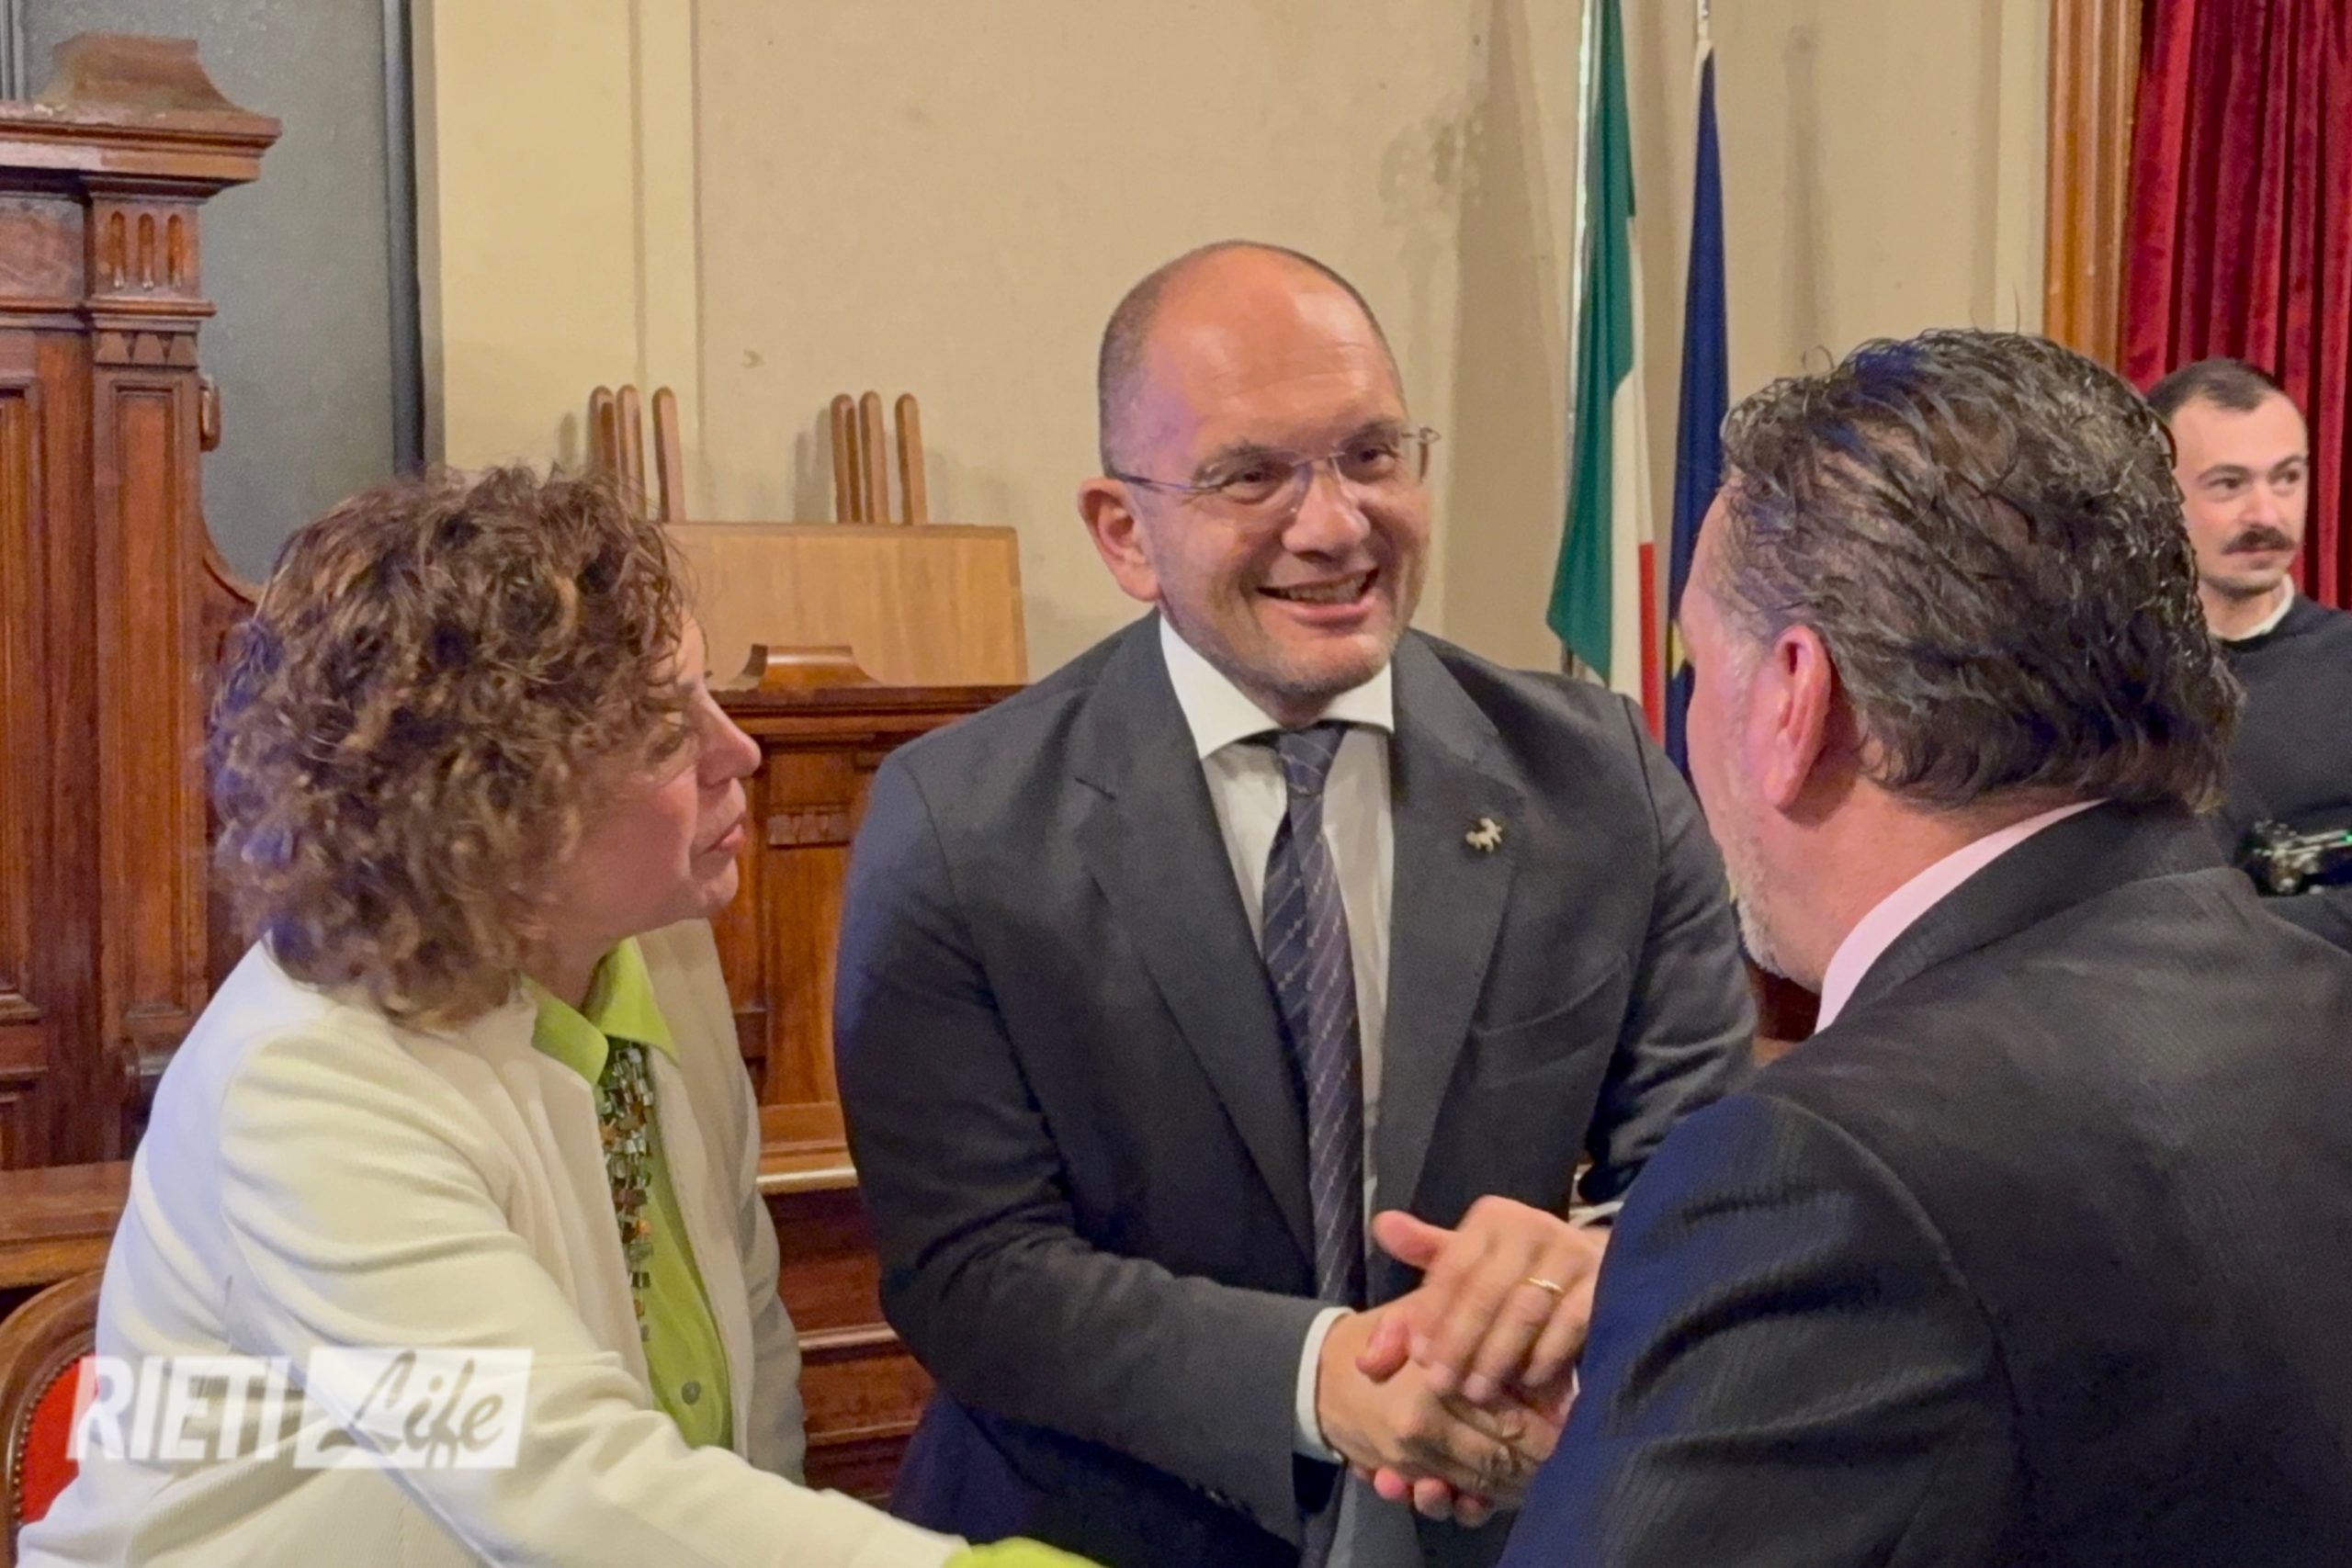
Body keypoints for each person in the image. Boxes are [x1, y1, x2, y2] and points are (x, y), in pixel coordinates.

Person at [832, 241, 1752, 1568]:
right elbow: (969, 1270)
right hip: (1104, 1531)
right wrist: (1323, 1378)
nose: (1332, 525)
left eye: (1371, 454)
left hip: (1513, 1519)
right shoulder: (957, 821)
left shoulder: (1599, 779)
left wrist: (1580, 1272)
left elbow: (1705, 1179)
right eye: (1249, 475)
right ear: (1123, 531)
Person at [21, 469, 1089, 1568]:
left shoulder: (655, 948)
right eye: (667, 727)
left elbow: (740, 1359)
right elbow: (559, 1477)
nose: (739, 751)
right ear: (490, 794)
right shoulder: (303, 1081)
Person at [1489, 331, 2352, 1566]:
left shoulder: (1814, 1171)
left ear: (1794, 697)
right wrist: (1660, 1403)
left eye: (1696, 664)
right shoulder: (2320, 999)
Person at [2147, 357, 2352, 949]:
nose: (2266, 514)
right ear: (2156, 495)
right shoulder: (2097, 683)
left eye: (2286, 478)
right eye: (2228, 484)